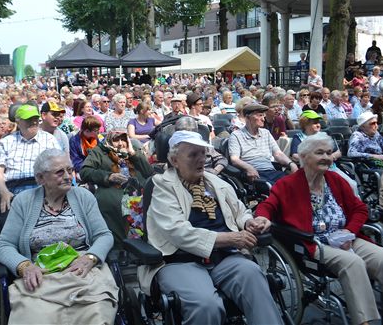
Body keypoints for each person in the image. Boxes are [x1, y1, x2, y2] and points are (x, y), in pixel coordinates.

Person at [255, 133, 383, 325]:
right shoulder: (287, 184)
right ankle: (364, 321)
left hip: (345, 237)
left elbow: (359, 208)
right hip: (314, 243)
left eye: (329, 153)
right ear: (303, 157)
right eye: (320, 152)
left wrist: (349, 231)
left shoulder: (335, 179)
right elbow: (268, 205)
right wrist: (262, 217)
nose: (326, 157)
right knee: (352, 262)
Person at [139, 130, 284, 325]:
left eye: (203, 154)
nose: (201, 160)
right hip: (180, 260)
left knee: (255, 279)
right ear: (174, 160)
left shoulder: (215, 181)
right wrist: (231, 239)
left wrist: (250, 222)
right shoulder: (162, 185)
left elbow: (239, 211)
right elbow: (178, 233)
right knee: (206, 305)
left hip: (224, 257)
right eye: (193, 155)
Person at [0, 149, 118, 324]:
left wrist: (91, 257)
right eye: (60, 172)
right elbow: (4, 244)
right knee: (34, 317)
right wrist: (25, 266)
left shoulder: (84, 196)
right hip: (40, 274)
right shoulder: (23, 201)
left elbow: (104, 235)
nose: (68, 176)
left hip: (82, 271)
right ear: (40, 178)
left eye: (69, 170)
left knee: (95, 315)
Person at [80, 129, 153, 248]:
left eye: (123, 139)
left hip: (137, 193)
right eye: (116, 140)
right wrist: (108, 176)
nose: (120, 143)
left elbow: (149, 173)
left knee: (141, 205)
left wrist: (133, 154)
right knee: (113, 205)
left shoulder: (133, 150)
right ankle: (118, 247)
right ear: (109, 140)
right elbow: (85, 171)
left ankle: (140, 246)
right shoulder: (100, 151)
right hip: (112, 191)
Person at [0, 104, 59, 214]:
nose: (33, 122)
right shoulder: (6, 142)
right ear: (18, 122)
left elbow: (59, 168)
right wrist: (4, 192)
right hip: (13, 189)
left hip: (42, 188)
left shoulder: (50, 140)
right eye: (29, 119)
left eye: (35, 119)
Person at [290, 111, 359, 195]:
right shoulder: (298, 137)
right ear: (305, 124)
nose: (318, 125)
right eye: (314, 123)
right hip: (311, 172)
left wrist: (328, 157)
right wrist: (314, 159)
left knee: (352, 185)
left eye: (318, 122)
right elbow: (294, 156)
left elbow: (338, 152)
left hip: (331, 168)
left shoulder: (325, 136)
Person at [228, 103, 298, 184]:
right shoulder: (236, 135)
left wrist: (291, 163)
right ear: (247, 117)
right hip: (254, 174)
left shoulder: (266, 133)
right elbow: (234, 159)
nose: (263, 119)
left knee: (296, 183)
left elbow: (278, 154)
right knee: (278, 187)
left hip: (271, 171)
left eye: (263, 116)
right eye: (260, 115)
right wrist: (249, 168)